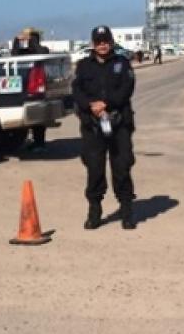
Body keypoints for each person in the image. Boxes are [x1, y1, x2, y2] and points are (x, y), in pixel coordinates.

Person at [72, 25, 137, 230]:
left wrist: (105, 103)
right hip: (93, 126)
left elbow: (126, 89)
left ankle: (126, 211)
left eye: (105, 41)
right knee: (94, 169)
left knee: (122, 167)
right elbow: (77, 91)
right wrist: (91, 106)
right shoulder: (84, 66)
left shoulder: (122, 63)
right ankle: (94, 212)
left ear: (111, 42)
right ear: (93, 44)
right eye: (98, 42)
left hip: (119, 124)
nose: (102, 45)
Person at [11, 27, 50, 152]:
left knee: (38, 120)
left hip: (37, 87)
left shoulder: (42, 49)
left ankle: (39, 142)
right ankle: (22, 140)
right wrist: (17, 41)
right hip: (22, 87)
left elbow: (41, 53)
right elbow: (13, 55)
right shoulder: (22, 52)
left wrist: (32, 41)